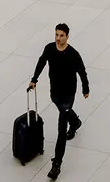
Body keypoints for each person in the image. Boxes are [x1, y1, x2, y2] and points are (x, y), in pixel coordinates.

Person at [28, 23, 90, 179]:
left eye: (61, 35)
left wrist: (85, 89)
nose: (58, 38)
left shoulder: (73, 54)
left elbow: (82, 71)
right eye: (56, 34)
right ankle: (75, 122)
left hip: (69, 94)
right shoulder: (49, 49)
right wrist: (34, 79)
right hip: (55, 92)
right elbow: (42, 62)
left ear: (67, 36)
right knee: (63, 110)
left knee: (61, 129)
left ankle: (56, 165)